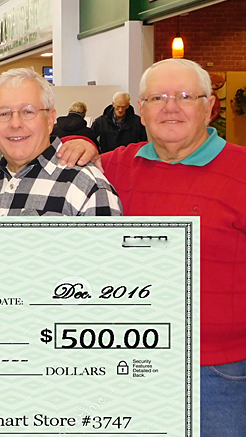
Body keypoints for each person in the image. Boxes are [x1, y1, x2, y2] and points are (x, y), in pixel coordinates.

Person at [95, 58, 246, 437]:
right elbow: (57, 158)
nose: (171, 107)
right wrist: (78, 141)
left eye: (185, 96)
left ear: (210, 107)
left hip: (218, 373)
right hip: (130, 365)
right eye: (158, 97)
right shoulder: (116, 166)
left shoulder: (242, 171)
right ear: (140, 111)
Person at [0, 68, 121, 216]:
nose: (15, 123)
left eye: (28, 111)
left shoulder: (87, 187)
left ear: (50, 120)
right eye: (4, 113)